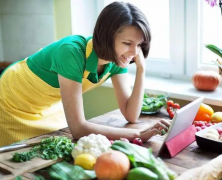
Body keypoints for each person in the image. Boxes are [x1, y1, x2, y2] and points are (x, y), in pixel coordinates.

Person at [0, 1, 170, 147]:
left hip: (46, 106)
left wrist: (141, 70)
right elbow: (78, 129)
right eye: (127, 43)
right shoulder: (71, 52)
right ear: (106, 37)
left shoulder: (117, 60)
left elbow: (130, 114)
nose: (134, 51)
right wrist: (136, 134)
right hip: (13, 100)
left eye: (140, 45)